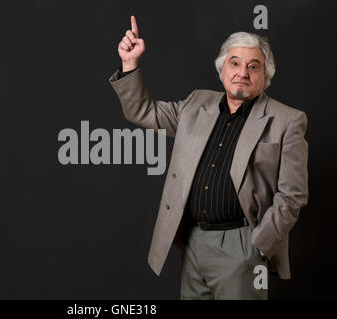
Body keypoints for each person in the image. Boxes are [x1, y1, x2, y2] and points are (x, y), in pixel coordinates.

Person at [109, 16, 309, 300]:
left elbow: (293, 195)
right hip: (192, 242)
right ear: (222, 69)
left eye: (254, 66)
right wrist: (130, 64)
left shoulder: (288, 120)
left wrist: (259, 246)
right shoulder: (196, 103)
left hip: (243, 245)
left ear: (266, 75)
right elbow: (143, 112)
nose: (243, 72)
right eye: (235, 63)